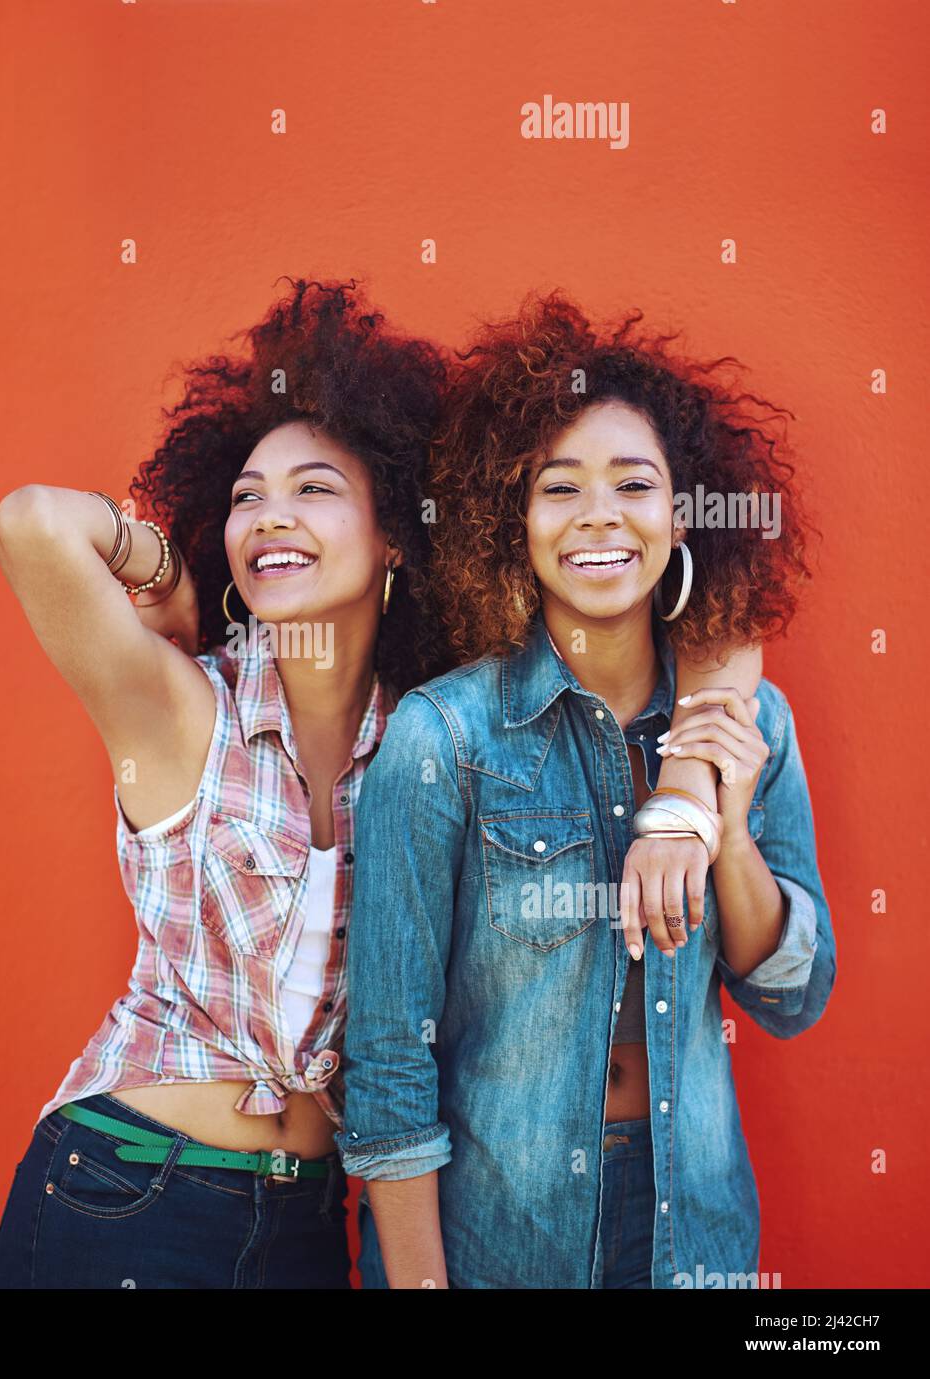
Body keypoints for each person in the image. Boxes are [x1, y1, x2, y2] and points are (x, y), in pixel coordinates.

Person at [336, 290, 836, 1288]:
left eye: (633, 484)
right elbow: (389, 1056)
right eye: (559, 488)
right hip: (500, 1233)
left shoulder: (746, 721)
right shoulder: (443, 737)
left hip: (690, 1230)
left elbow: (789, 996)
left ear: (680, 511)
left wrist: (720, 827)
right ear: (513, 520)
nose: (600, 516)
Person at [0, 277, 452, 1288]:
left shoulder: (426, 741)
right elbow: (31, 523)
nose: (270, 515)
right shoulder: (185, 708)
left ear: (395, 541)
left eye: (314, 488)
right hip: (124, 1192)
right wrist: (161, 571)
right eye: (246, 497)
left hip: (304, 1226)